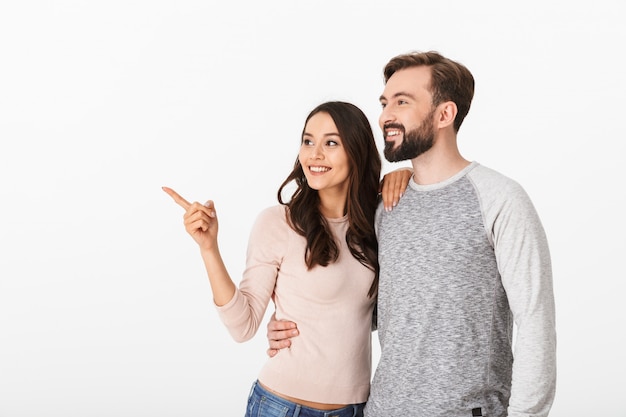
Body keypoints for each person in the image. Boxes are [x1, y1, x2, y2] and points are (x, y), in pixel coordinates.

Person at [265, 51, 557, 417]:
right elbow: (367, 310)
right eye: (385, 102)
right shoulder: (386, 205)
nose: (386, 115)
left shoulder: (500, 200)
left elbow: (535, 324)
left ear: (444, 114)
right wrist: (294, 322)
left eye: (402, 102)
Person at [163, 101, 411, 417]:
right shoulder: (278, 222)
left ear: (357, 151)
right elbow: (243, 326)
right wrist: (209, 247)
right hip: (283, 407)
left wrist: (408, 172)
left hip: (358, 409)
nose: (314, 154)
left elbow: (366, 316)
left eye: (331, 143)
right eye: (308, 141)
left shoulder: (375, 224)